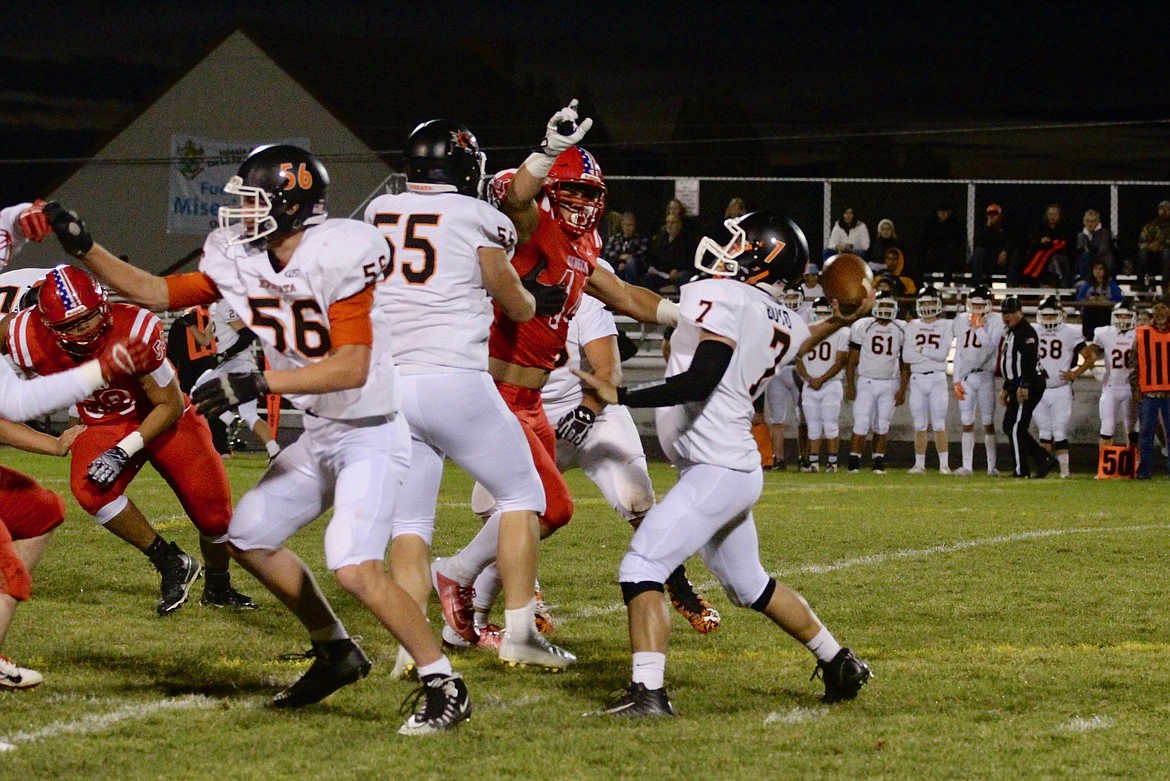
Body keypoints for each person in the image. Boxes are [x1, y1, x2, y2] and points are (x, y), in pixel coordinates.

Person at [44, 145, 470, 734]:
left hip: (371, 433)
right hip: (321, 433)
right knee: (245, 536)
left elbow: (352, 367)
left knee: (353, 566)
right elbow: (154, 292)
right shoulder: (244, 258)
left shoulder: (338, 254)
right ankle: (335, 650)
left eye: (254, 201)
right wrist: (84, 248)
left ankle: (444, 681)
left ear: (291, 206)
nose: (240, 214)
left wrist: (257, 378)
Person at [574, 211, 873, 717]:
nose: (728, 249)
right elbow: (797, 339)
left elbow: (700, 379)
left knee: (643, 565)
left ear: (762, 254)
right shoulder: (782, 317)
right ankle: (840, 661)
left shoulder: (727, 297)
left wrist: (620, 393)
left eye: (740, 243)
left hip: (716, 470)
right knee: (748, 584)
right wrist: (839, 321)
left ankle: (649, 694)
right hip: (728, 468)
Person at [428, 100, 682, 668]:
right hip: (497, 393)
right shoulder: (527, 223)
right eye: (572, 190)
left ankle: (461, 628)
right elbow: (518, 197)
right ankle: (455, 577)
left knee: (517, 517)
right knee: (547, 508)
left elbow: (625, 297)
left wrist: (686, 318)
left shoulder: (582, 245)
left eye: (592, 195)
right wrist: (545, 154)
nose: (582, 203)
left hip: (532, 398)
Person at [362, 118, 567, 675]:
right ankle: (522, 632)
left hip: (392, 385)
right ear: (462, 167)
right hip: (453, 377)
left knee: (410, 524)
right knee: (523, 495)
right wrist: (533, 300)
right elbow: (513, 301)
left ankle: (411, 646)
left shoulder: (380, 213)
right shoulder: (478, 217)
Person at [469, 278, 721, 642]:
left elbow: (608, 367)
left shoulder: (579, 289)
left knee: (636, 498)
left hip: (590, 412)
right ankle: (528, 593)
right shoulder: (500, 292)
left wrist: (587, 410)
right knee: (491, 504)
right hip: (529, 415)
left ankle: (680, 588)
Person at [3, 266, 254, 615]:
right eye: (70, 326)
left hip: (165, 418)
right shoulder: (23, 334)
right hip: (104, 421)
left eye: (89, 319)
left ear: (103, 306)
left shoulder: (134, 329)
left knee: (215, 518)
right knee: (88, 488)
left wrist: (124, 451)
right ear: (46, 325)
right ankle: (170, 562)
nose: (84, 331)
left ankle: (218, 585)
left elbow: (170, 403)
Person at [191, 300, 281, 460]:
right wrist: (190, 325)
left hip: (240, 363)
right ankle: (230, 420)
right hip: (227, 365)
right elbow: (205, 340)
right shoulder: (215, 306)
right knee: (197, 390)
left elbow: (247, 335)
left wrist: (226, 354)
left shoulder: (226, 304)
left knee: (249, 414)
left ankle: (274, 452)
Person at [845, 291, 908, 473]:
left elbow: (905, 363)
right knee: (861, 422)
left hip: (890, 381)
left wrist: (903, 388)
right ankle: (854, 461)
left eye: (889, 306)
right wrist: (850, 384)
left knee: (883, 423)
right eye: (883, 306)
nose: (886, 310)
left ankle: (878, 461)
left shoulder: (901, 327)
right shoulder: (863, 325)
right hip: (866, 381)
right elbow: (852, 359)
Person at [1066, 300, 1137, 453]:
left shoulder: (1139, 334)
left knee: (1132, 428)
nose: (1123, 319)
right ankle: (1104, 465)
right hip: (1111, 387)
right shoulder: (1105, 333)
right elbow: (1089, 352)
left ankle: (1134, 464)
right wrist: (1092, 370)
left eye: (1127, 316)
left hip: (1132, 387)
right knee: (1107, 427)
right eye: (1120, 316)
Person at [998, 296, 1057, 478]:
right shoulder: (1012, 331)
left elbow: (1029, 360)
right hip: (1018, 382)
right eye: (1005, 313)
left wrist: (1024, 385)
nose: (1008, 317)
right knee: (1010, 425)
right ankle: (1043, 459)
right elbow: (1012, 364)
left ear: (1020, 313)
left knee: (1016, 426)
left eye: (1012, 313)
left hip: (1029, 382)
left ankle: (1021, 469)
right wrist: (1007, 387)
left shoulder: (1025, 331)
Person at [951, 286, 1003, 476]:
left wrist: (979, 328)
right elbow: (959, 352)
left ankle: (992, 467)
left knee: (988, 422)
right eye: (974, 304)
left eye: (981, 304)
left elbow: (990, 348)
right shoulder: (961, 320)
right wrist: (956, 379)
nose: (977, 308)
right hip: (966, 376)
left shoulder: (995, 321)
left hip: (985, 376)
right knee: (967, 422)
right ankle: (967, 466)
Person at [903, 287, 955, 474]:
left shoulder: (947, 325)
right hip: (917, 379)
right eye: (924, 302)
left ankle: (944, 465)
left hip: (937, 378)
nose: (927, 306)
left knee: (939, 423)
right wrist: (927, 355)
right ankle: (919, 464)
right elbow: (907, 357)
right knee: (919, 424)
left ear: (939, 304)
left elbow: (942, 355)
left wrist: (922, 351)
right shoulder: (911, 325)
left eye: (931, 302)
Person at [796, 297, 848, 472]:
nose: (823, 317)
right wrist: (810, 379)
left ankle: (832, 463)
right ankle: (813, 462)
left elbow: (840, 361)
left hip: (830, 384)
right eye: (820, 313)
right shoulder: (805, 333)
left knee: (831, 425)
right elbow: (798, 360)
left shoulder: (841, 332)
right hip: (810, 384)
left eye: (826, 313)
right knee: (813, 426)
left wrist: (820, 379)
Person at [1033, 295, 1084, 478]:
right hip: (1039, 389)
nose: (1048, 319)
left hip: (1061, 388)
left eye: (1051, 315)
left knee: (1059, 431)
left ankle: (1065, 471)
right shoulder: (1033, 330)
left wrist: (1075, 373)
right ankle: (1044, 469)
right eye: (1045, 315)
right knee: (1044, 431)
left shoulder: (1070, 331)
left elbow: (1090, 356)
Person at [763, 283, 811, 470]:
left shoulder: (807, 314)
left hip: (799, 369)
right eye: (788, 297)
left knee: (804, 417)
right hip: (777, 368)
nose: (791, 301)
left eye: (794, 296)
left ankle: (804, 457)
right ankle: (779, 458)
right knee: (777, 418)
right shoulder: (775, 312)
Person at [1130, 295, 1170, 478]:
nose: (1160, 312)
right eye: (1157, 308)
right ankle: (1143, 470)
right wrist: (1136, 390)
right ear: (1152, 311)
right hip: (1148, 393)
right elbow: (1134, 364)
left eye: (1164, 308)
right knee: (1145, 433)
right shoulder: (1141, 334)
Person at [640, 212, 696, 292]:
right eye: (668, 222)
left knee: (684, 277)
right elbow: (654, 257)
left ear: (679, 225)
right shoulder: (660, 239)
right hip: (663, 274)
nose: (670, 225)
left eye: (673, 223)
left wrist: (677, 269)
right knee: (645, 279)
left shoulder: (687, 240)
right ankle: (661, 292)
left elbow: (689, 260)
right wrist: (652, 268)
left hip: (678, 273)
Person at [1022, 204, 1075, 287]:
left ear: (1059, 216)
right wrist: (1041, 241)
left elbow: (1065, 243)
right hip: (1039, 253)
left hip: (1059, 254)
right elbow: (1033, 241)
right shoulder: (1040, 227)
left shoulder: (1064, 227)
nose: (1052, 217)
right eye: (1050, 214)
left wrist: (1049, 242)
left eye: (1055, 214)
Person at [1073, 259, 1123, 342]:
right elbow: (1079, 298)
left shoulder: (1111, 284)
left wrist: (1106, 300)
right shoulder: (1087, 284)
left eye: (1100, 269)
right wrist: (1089, 300)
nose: (1098, 271)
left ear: (1104, 271)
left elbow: (1118, 297)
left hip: (1105, 311)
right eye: (1095, 269)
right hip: (1090, 311)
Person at [969, 204, 1015, 287]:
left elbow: (1013, 241)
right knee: (979, 252)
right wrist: (988, 227)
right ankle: (975, 286)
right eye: (990, 215)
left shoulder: (1007, 228)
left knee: (1015, 256)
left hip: (1004, 260)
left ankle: (1011, 288)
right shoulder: (983, 230)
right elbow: (979, 243)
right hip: (989, 260)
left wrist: (1005, 251)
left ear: (1000, 215)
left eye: (994, 214)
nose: (992, 217)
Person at [919, 205, 965, 285]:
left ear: (949, 213)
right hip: (935, 250)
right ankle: (920, 283)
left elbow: (958, 240)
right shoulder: (932, 223)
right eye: (940, 212)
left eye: (945, 212)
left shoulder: (955, 224)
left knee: (950, 254)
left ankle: (946, 282)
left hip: (949, 251)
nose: (942, 214)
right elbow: (926, 239)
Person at [602, 211, 649, 284]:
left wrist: (628, 258)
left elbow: (643, 254)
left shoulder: (641, 239)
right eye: (626, 224)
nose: (628, 227)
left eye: (630, 225)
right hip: (616, 266)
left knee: (631, 263)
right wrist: (619, 258)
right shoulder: (615, 239)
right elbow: (607, 254)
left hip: (634, 268)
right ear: (622, 225)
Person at [1137, 200, 1170, 293]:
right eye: (1162, 209)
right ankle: (1141, 284)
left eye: (1167, 209)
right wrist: (1150, 246)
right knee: (1142, 252)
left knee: (1166, 253)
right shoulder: (1151, 225)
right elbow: (1141, 241)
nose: (1164, 211)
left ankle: (1165, 286)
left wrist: (1159, 246)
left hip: (1165, 254)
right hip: (1151, 256)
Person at [1076, 209, 1114, 279]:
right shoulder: (1081, 235)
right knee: (1084, 257)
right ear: (1084, 222)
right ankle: (1084, 279)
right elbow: (1080, 249)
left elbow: (1102, 250)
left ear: (1097, 222)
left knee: (1086, 257)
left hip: (1102, 261)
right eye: (1087, 221)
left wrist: (1089, 250)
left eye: (1093, 221)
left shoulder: (1104, 233)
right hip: (1087, 261)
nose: (1090, 224)